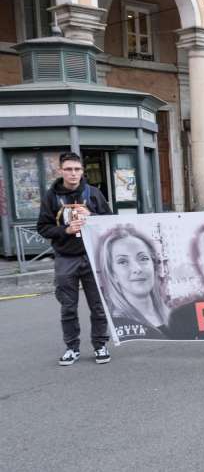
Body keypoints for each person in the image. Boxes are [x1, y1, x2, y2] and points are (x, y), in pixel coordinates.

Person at [37, 152, 112, 366]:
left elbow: (110, 222)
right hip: (65, 258)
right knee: (68, 307)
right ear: (60, 171)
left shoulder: (93, 193)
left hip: (92, 257)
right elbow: (43, 228)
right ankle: (72, 348)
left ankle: (100, 345)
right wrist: (66, 229)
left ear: (82, 171)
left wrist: (92, 217)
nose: (73, 174)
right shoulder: (51, 196)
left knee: (98, 306)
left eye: (77, 169)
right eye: (68, 169)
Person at [98, 226, 171, 340]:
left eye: (143, 258)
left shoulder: (174, 315)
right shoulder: (116, 322)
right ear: (113, 274)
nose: (137, 269)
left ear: (154, 265)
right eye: (123, 261)